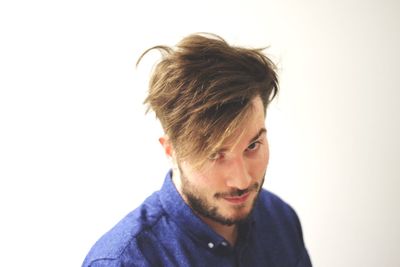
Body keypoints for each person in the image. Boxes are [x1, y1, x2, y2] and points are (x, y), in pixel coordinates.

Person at [82, 33, 312, 267]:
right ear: (171, 150)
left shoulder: (280, 218)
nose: (242, 180)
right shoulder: (124, 261)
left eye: (252, 146)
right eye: (215, 154)